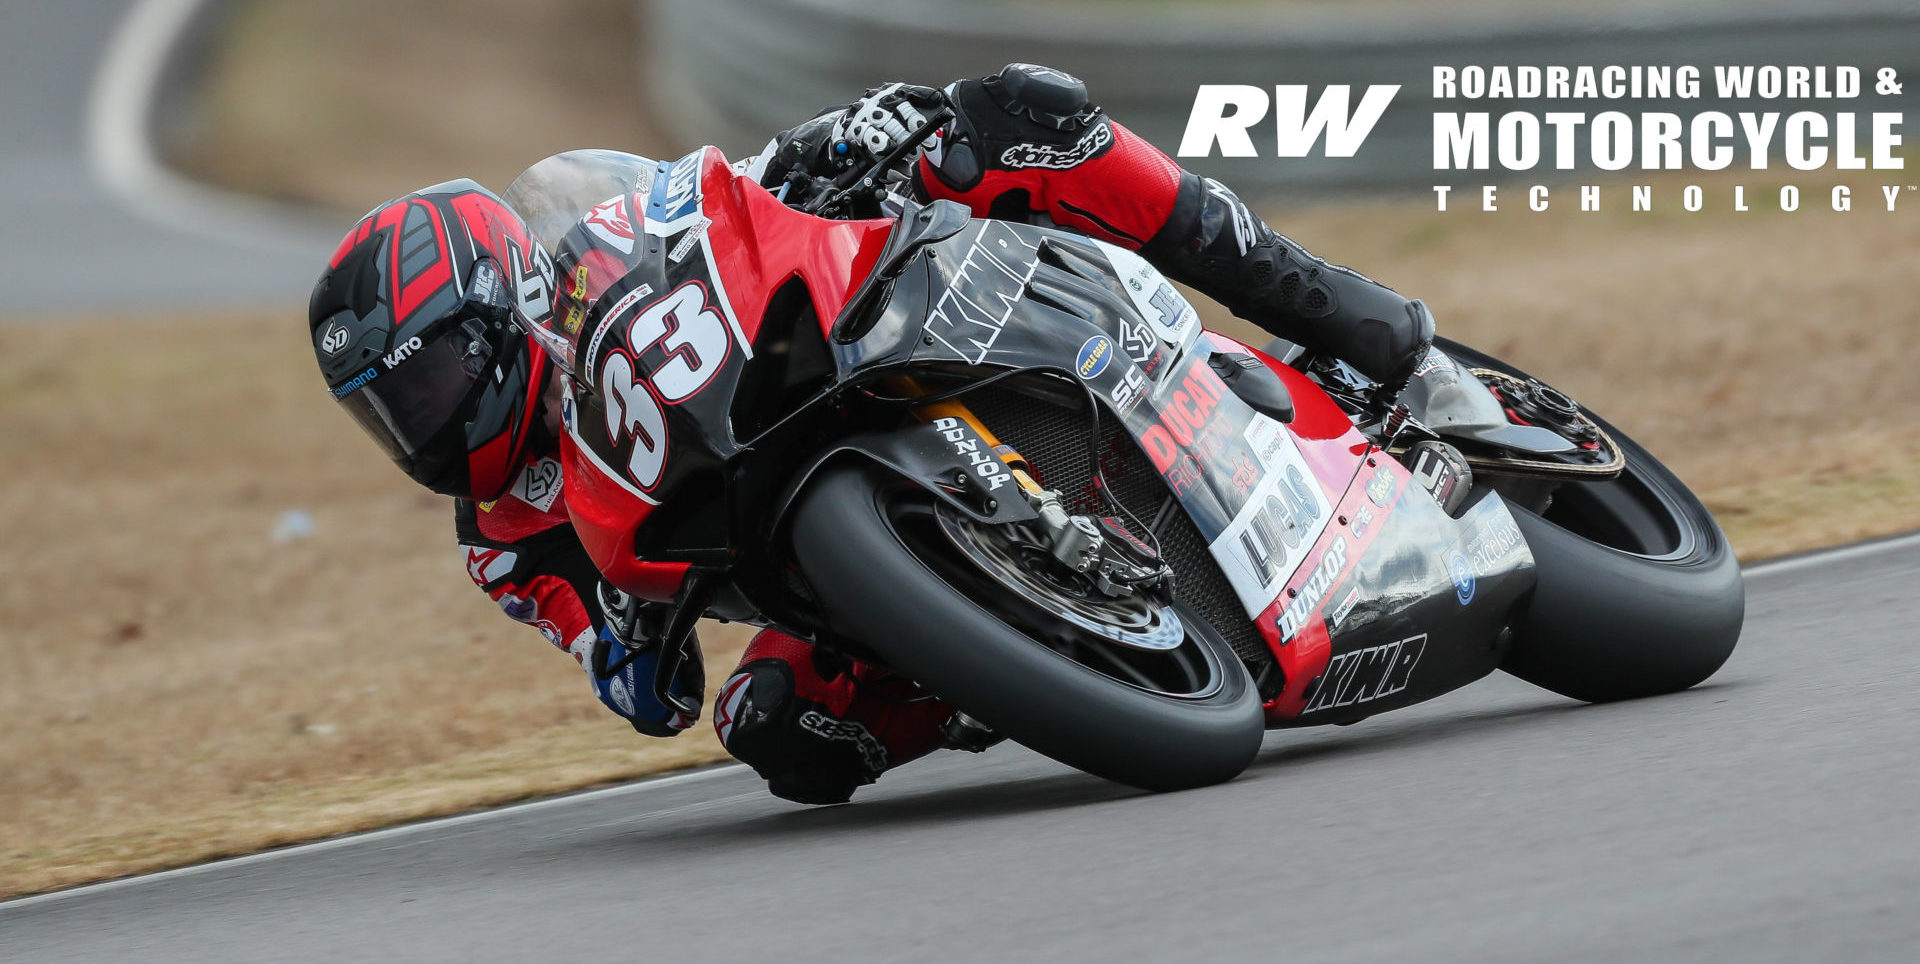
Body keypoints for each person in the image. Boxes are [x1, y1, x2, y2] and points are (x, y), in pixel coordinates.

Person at [307, 64, 1435, 805]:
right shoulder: (501, 536)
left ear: (503, 303)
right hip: (785, 559)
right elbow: (627, 680)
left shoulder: (594, 249)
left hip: (836, 349)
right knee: (777, 731)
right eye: (392, 415)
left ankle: (1326, 305)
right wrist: (626, 648)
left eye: (437, 375)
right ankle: (1001, 663)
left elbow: (714, 201)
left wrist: (845, 141)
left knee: (1015, 115)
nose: (430, 420)